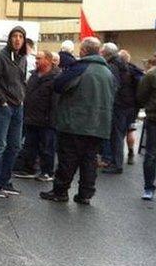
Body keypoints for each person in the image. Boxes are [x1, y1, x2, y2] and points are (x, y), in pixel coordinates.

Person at [40, 37, 115, 205]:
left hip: (76, 122)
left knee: (68, 158)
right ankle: (85, 194)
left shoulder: (80, 68)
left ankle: (60, 191)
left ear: (83, 51)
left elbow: (59, 84)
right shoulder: (108, 72)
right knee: (89, 160)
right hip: (99, 125)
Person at [0, 26, 28, 198]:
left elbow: (22, 81)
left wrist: (22, 98)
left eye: (21, 37)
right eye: (14, 36)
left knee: (14, 146)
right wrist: (2, 101)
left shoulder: (22, 58)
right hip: (2, 107)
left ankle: (5, 181)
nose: (17, 39)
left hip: (18, 106)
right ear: (10, 39)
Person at [12, 50, 60, 182]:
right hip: (31, 117)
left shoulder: (56, 77)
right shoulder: (34, 75)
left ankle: (47, 171)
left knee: (46, 147)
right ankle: (28, 168)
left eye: (39, 58)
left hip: (47, 119)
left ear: (48, 60)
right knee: (30, 146)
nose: (36, 61)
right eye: (36, 58)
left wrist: (51, 119)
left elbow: (56, 102)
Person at [100, 42, 137, 174]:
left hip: (119, 105)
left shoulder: (112, 66)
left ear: (106, 53)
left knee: (116, 135)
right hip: (129, 104)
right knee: (119, 134)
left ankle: (116, 164)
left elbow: (114, 86)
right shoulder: (125, 64)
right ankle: (115, 162)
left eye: (101, 52)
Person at [136, 45, 156, 200]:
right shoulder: (152, 75)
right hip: (155, 120)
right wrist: (151, 108)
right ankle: (148, 187)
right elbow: (141, 96)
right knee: (151, 155)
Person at [119, 49, 144, 165]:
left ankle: (117, 156)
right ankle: (130, 153)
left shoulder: (120, 71)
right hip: (133, 106)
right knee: (130, 130)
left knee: (119, 132)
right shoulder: (136, 71)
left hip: (122, 105)